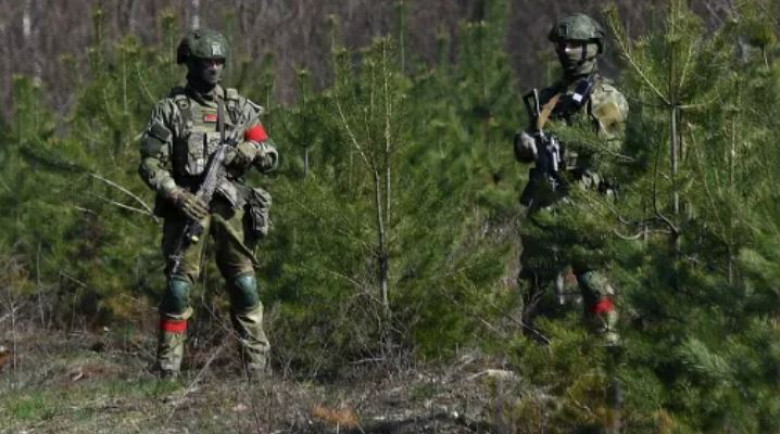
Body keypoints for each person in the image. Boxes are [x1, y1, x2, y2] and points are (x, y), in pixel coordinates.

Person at [138, 28, 279, 378]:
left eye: (219, 61)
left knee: (245, 286)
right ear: (191, 64)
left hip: (230, 208)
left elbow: (271, 156)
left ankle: (258, 373)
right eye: (207, 61)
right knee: (178, 289)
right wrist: (176, 194)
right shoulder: (171, 110)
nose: (214, 68)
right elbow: (150, 163)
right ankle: (168, 373)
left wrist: (252, 149)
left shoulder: (238, 107)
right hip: (187, 207)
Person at [514, 13, 628, 345]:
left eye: (575, 44)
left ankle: (607, 347)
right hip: (547, 203)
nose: (566, 51)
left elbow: (610, 152)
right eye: (563, 44)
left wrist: (570, 160)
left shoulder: (605, 98)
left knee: (594, 280)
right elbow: (530, 139)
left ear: (593, 48)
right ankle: (539, 353)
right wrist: (525, 144)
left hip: (587, 203)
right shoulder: (550, 98)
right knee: (536, 280)